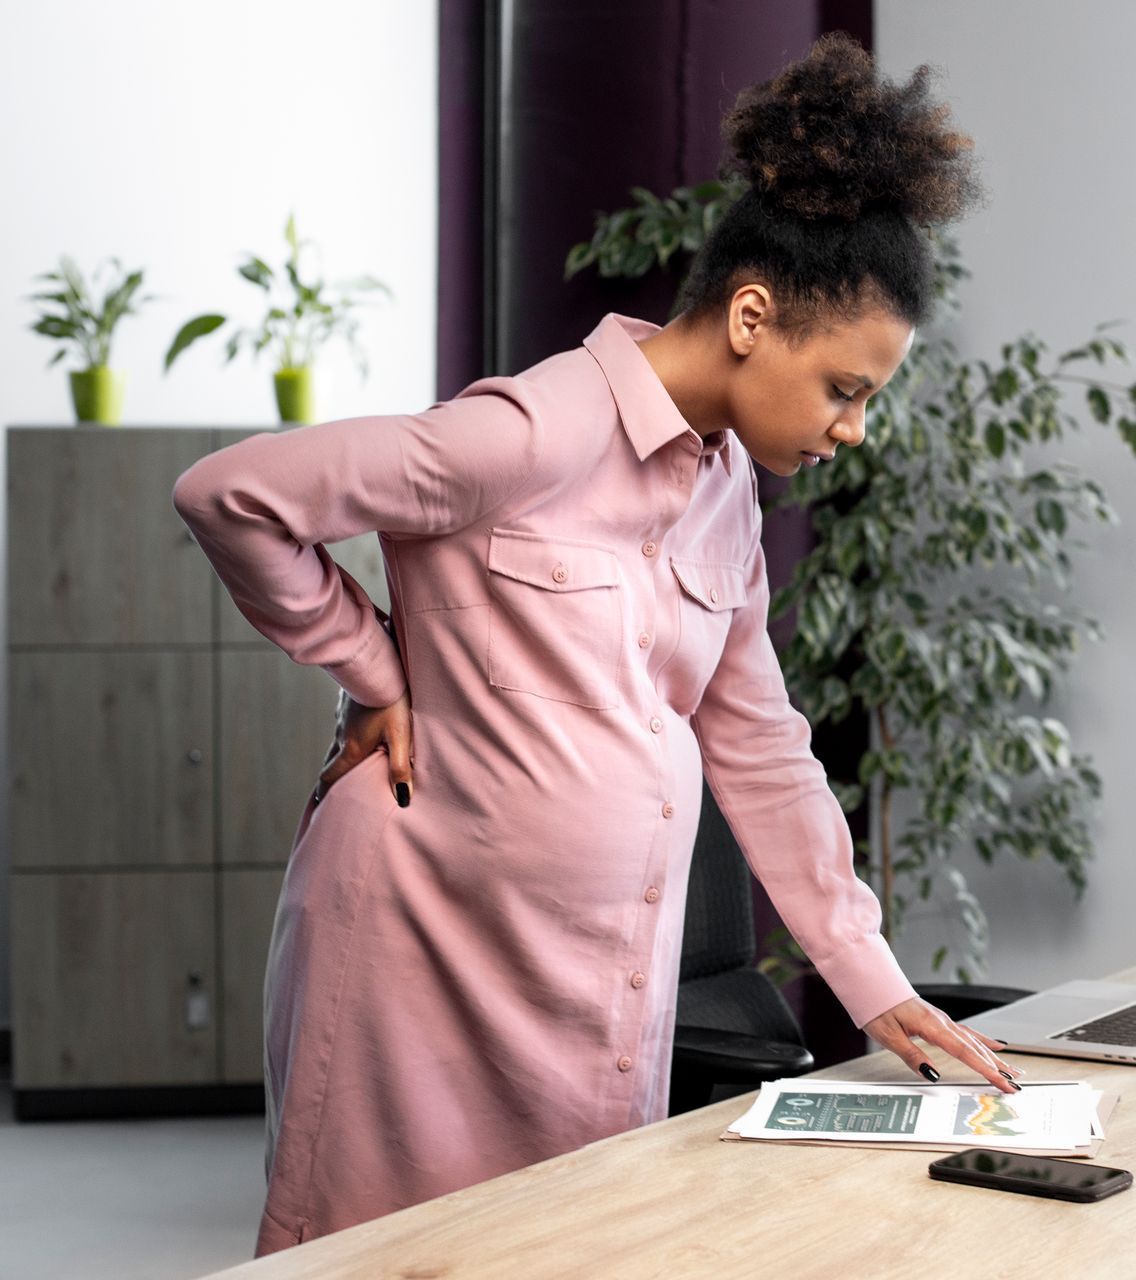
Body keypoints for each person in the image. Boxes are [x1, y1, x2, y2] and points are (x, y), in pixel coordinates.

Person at [173, 33, 1020, 1257]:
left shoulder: (729, 495)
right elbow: (230, 492)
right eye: (844, 387)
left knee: (572, 1246)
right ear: (748, 316)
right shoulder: (524, 433)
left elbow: (762, 749)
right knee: (376, 1253)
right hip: (418, 953)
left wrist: (869, 976)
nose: (852, 428)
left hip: (588, 973)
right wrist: (370, 666)